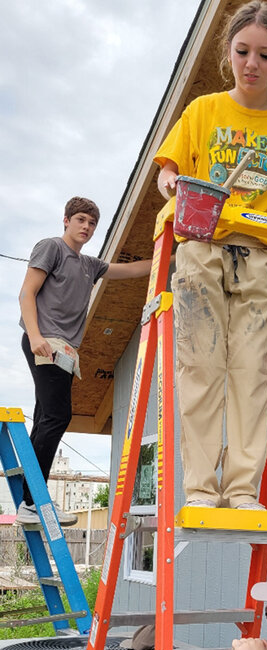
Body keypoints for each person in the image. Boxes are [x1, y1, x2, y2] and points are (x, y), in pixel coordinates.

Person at [154, 0, 267, 511]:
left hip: (261, 257)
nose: (252, 63)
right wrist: (173, 184)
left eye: (264, 55)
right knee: (200, 367)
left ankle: (241, 489)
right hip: (202, 248)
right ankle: (201, 489)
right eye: (243, 50)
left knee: (251, 375)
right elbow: (167, 173)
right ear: (228, 53)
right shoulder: (203, 110)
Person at [16, 196, 152, 526]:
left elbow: (132, 269)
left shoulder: (90, 265)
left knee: (46, 417)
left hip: (63, 350)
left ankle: (29, 499)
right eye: (80, 220)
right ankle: (33, 503)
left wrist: (175, 254)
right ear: (66, 220)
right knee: (58, 416)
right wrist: (36, 338)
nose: (86, 228)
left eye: (91, 224)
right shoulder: (51, 248)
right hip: (45, 342)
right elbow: (26, 293)